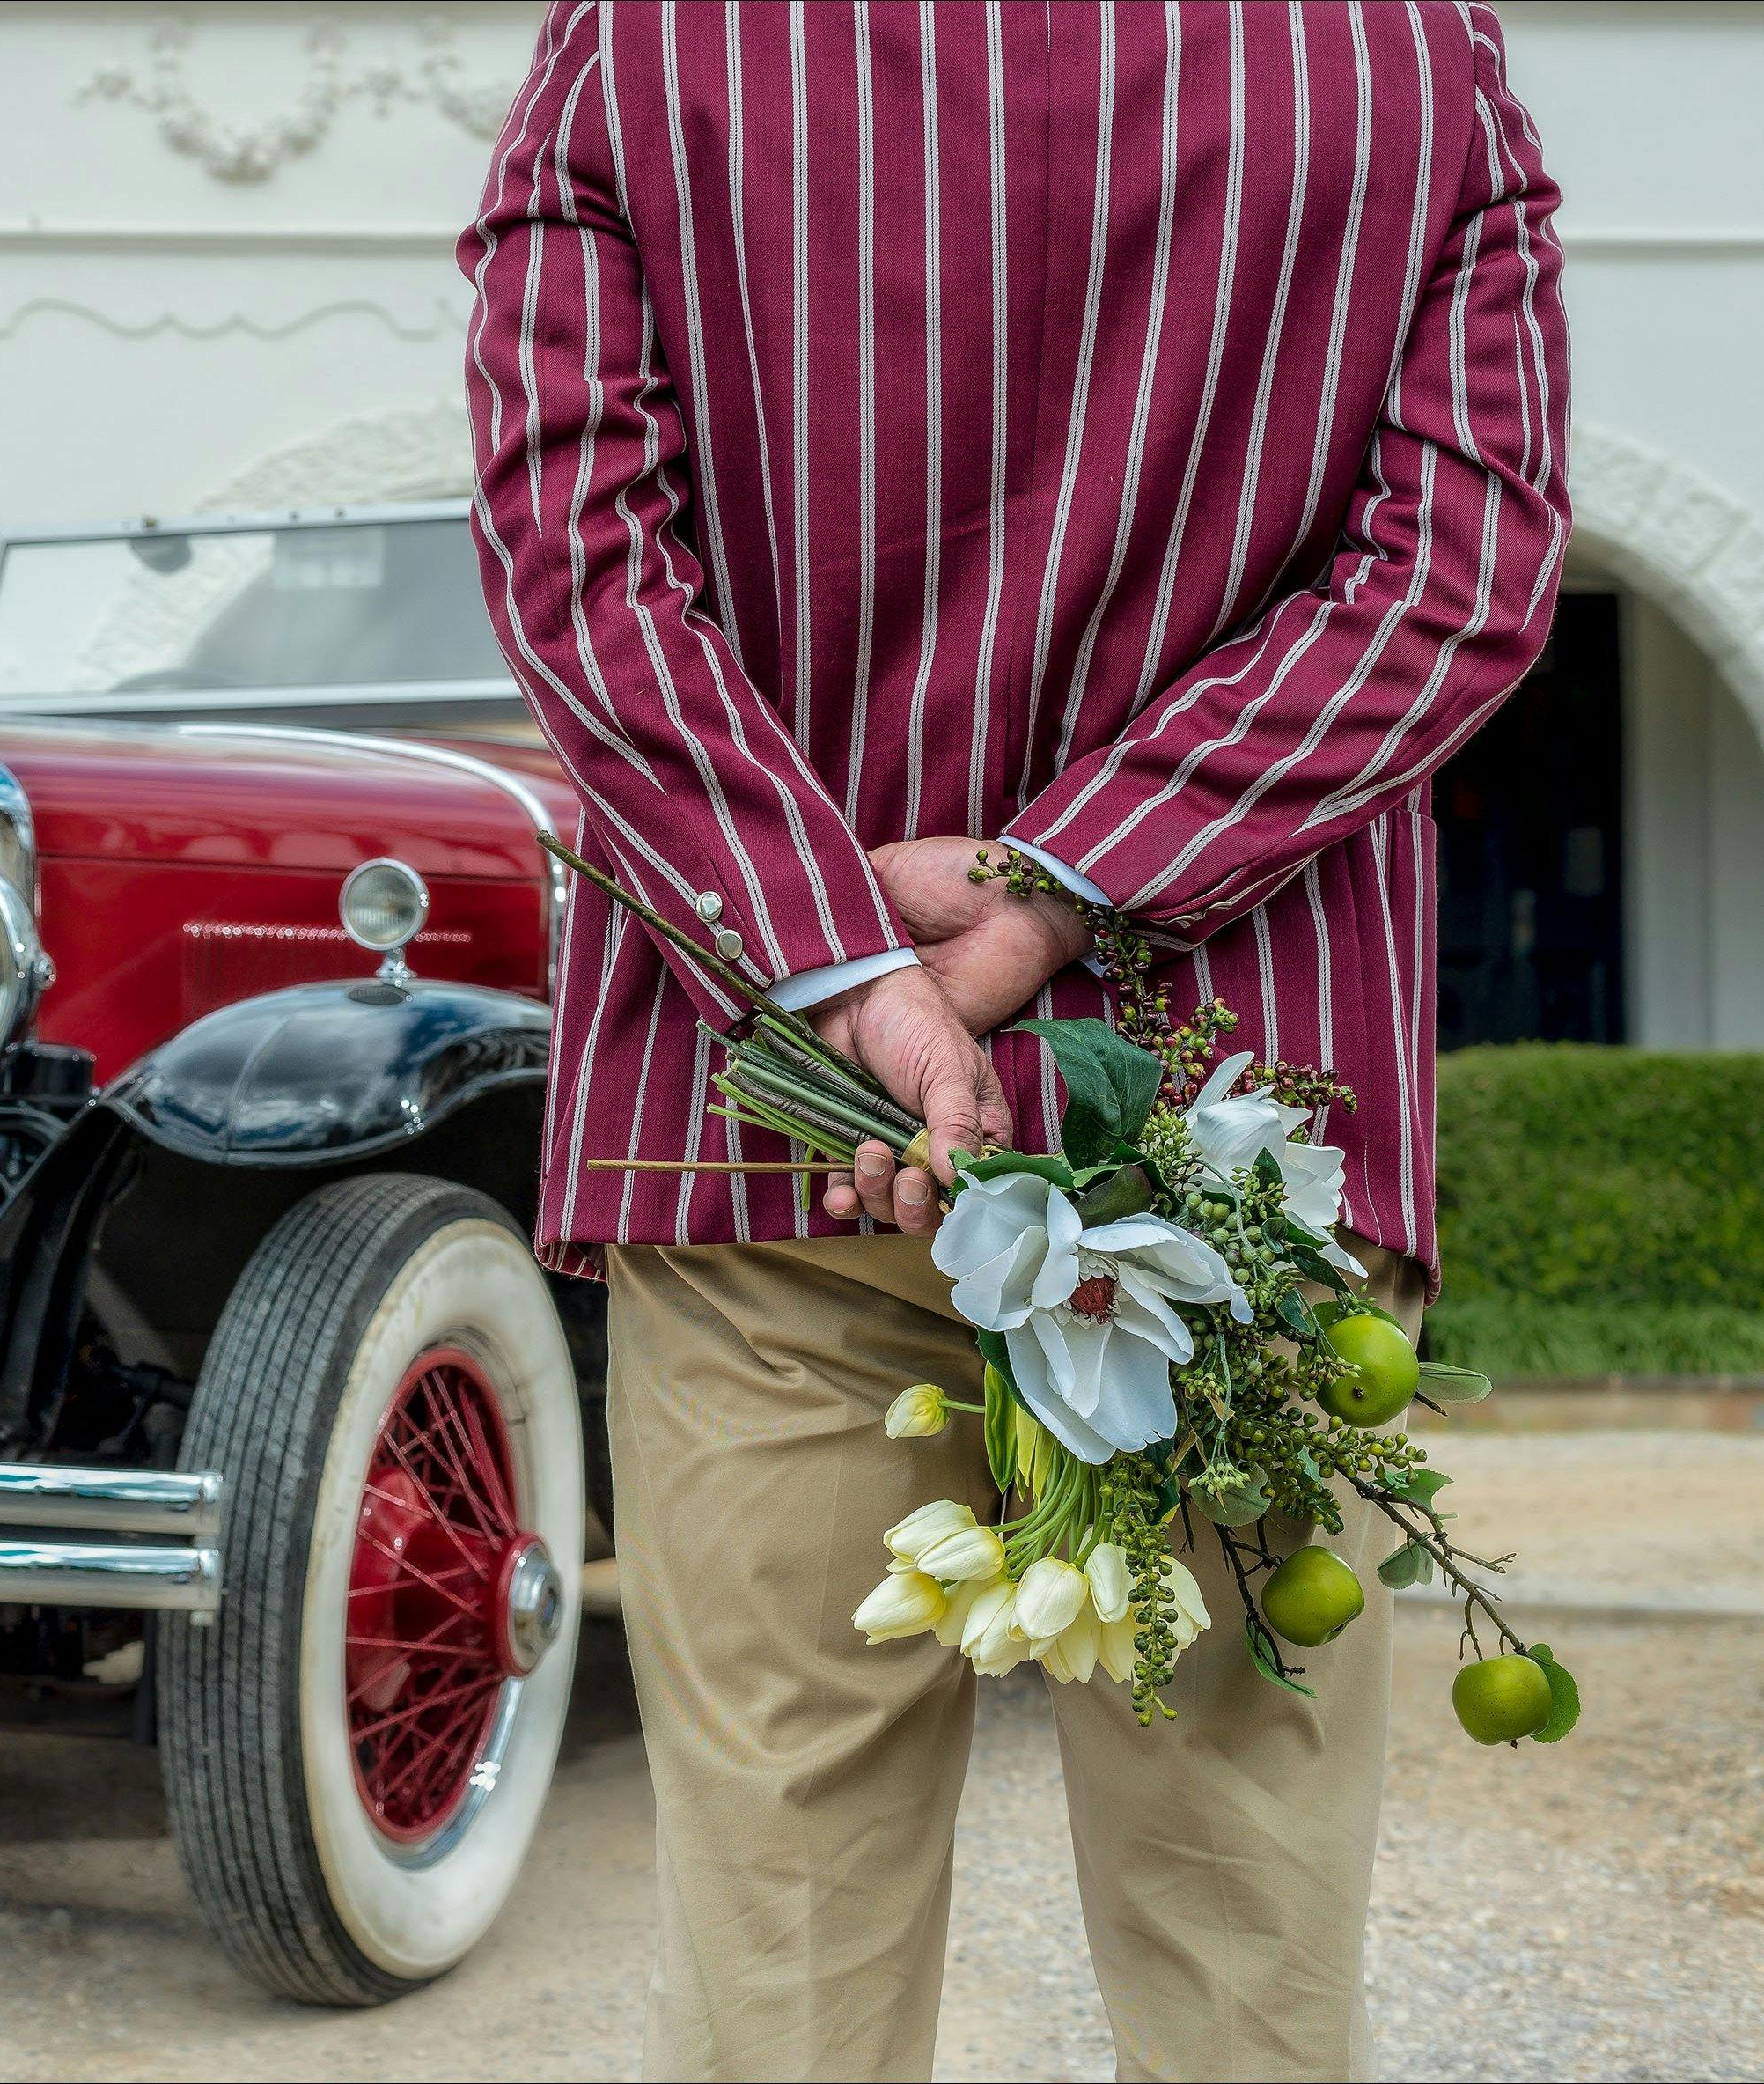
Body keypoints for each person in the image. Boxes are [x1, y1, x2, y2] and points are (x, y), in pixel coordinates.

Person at [459, 4, 1567, 2079]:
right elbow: (1459, 568)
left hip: (763, 1121)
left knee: (777, 1937)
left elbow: (574, 559)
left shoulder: (651, 43)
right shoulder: (1402, 52)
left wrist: (834, 961)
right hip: (1242, 1109)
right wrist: (1060, 894)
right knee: (1242, 1932)